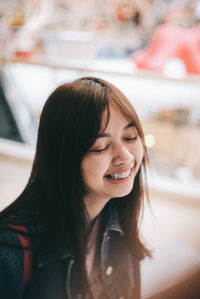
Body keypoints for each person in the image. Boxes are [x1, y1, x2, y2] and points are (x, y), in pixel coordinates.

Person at [0, 76, 150, 299]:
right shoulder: (9, 252)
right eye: (101, 146)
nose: (126, 157)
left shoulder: (118, 222)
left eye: (130, 137)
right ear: (64, 156)